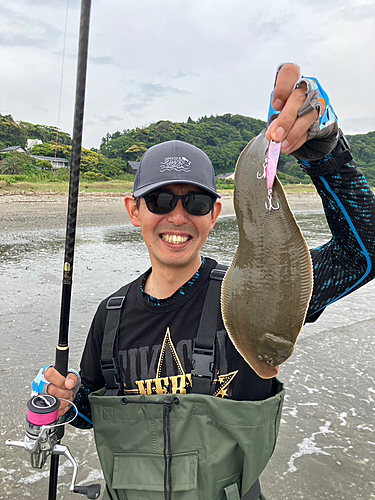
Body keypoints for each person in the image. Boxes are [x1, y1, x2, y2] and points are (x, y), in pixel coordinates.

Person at [36, 63, 375, 500]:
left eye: (194, 201)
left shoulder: (256, 290)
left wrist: (325, 150)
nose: (177, 216)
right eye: (159, 199)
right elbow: (92, 412)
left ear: (214, 215)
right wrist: (67, 401)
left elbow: (363, 253)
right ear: (133, 210)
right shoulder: (111, 316)